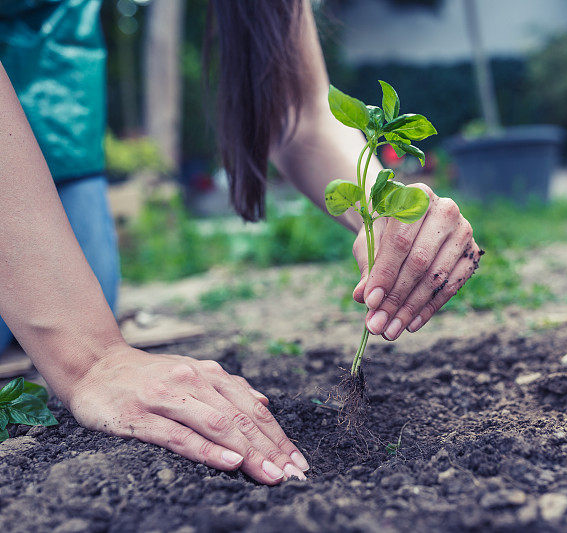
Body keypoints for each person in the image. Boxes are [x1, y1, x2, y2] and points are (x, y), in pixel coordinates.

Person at [0, 0, 480, 484]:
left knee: (74, 292)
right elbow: (83, 353)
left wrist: (383, 210)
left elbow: (300, 106)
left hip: (57, 115)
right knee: (54, 333)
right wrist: (93, 360)